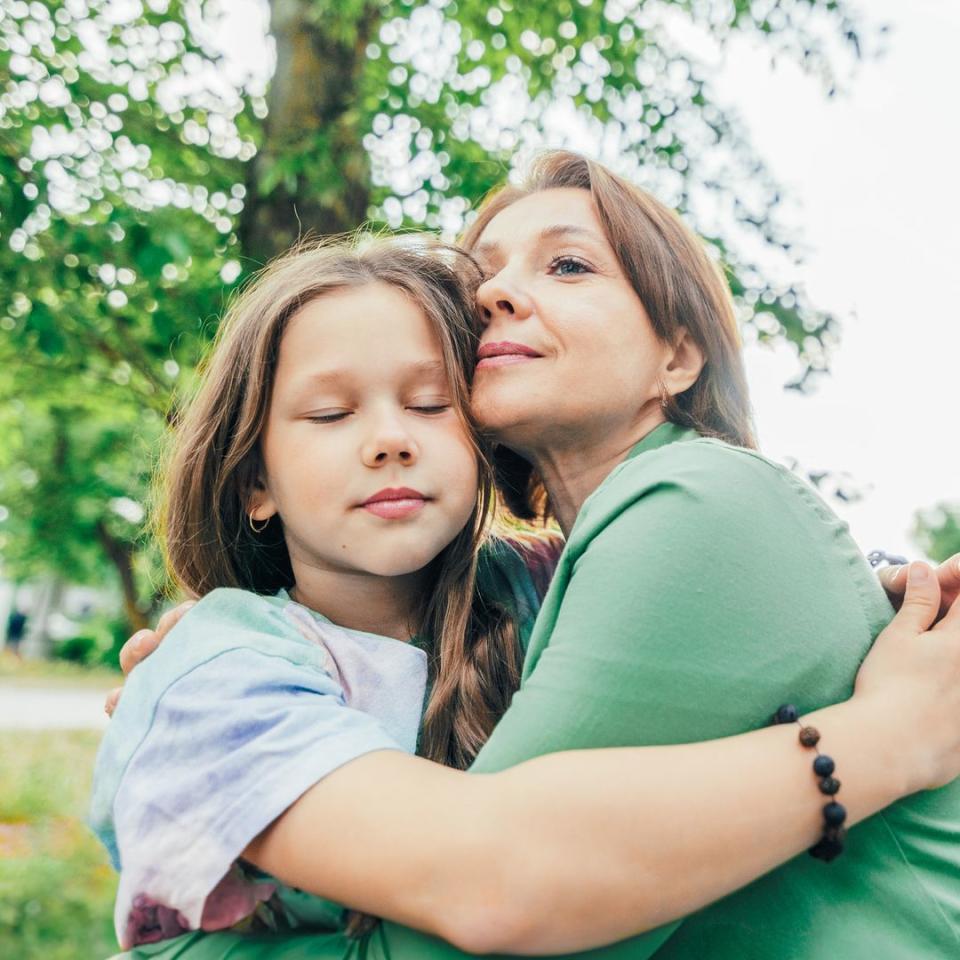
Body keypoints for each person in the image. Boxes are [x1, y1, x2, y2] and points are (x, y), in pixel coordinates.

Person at [103, 154, 960, 960]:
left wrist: (896, 634)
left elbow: (499, 890)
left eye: (569, 266)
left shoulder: (679, 513)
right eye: (485, 282)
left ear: (679, 353)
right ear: (256, 479)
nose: (498, 297)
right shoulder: (533, 584)